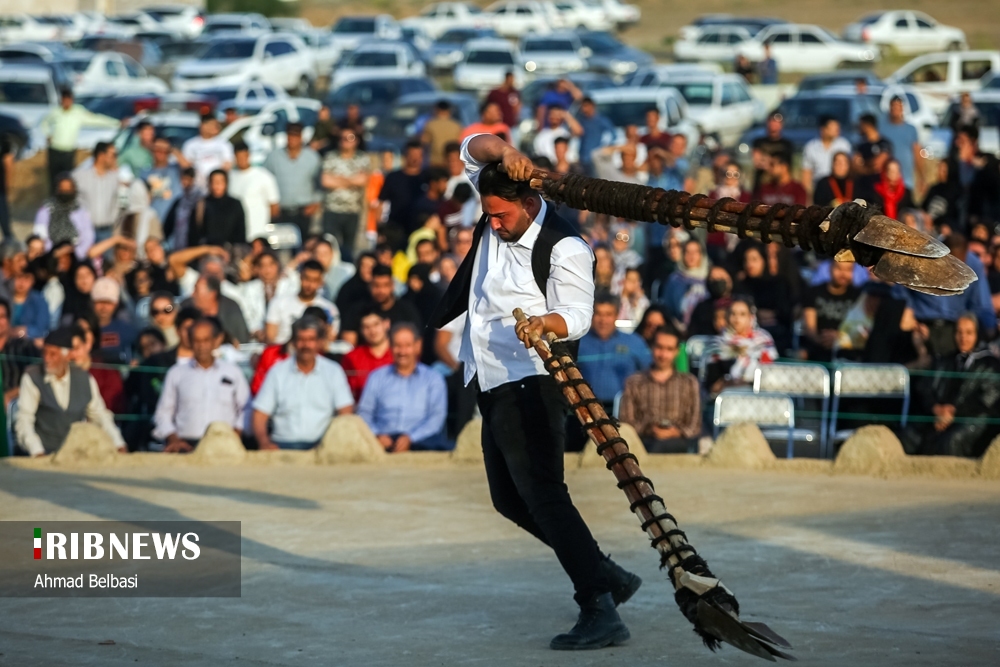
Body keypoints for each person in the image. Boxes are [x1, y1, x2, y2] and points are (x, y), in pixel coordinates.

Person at [430, 132, 637, 650]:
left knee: (544, 495)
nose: (491, 224)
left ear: (529, 204)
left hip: (534, 381)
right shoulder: (501, 190)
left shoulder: (565, 246)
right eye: (488, 215)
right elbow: (470, 145)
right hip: (491, 376)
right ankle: (603, 574)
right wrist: (503, 151)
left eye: (500, 216)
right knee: (508, 499)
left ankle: (598, 604)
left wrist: (545, 320)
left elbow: (578, 315)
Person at [14, 327, 126, 457]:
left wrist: (118, 443)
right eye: (44, 353)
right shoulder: (32, 377)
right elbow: (24, 419)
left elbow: (100, 415)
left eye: (53, 354)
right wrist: (37, 451)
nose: (47, 359)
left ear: (66, 355)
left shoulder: (84, 379)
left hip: (73, 454)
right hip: (41, 451)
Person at [900, 314, 1000, 457]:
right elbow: (925, 389)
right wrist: (937, 409)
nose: (963, 337)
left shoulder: (989, 364)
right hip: (939, 417)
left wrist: (954, 412)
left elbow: (987, 399)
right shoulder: (946, 360)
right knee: (909, 436)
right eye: (959, 332)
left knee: (951, 441)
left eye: (969, 333)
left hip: (972, 419)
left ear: (977, 334)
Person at [253, 315, 354, 450]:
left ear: (319, 342)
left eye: (311, 340)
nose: (305, 345)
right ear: (294, 342)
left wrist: (333, 442)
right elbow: (259, 413)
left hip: (322, 446)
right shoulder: (277, 372)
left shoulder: (333, 371)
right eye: (301, 340)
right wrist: (264, 442)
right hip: (283, 445)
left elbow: (345, 412)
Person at [152, 318, 250, 453]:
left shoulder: (233, 372)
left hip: (224, 444)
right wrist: (173, 439)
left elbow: (246, 408)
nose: (201, 346)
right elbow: (163, 412)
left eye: (206, 340)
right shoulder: (176, 373)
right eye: (197, 341)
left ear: (216, 341)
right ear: (190, 342)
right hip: (186, 444)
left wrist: (236, 434)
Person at [357, 322, 448, 452]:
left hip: (421, 441)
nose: (402, 352)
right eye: (397, 346)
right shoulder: (376, 377)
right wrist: (377, 434)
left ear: (417, 346)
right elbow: (364, 413)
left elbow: (436, 419)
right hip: (383, 440)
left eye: (407, 346)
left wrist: (411, 438)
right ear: (391, 347)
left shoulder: (433, 379)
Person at [619, 327, 701, 453]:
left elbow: (695, 424)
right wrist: (650, 429)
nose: (663, 354)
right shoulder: (634, 382)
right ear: (651, 347)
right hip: (643, 442)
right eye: (659, 347)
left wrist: (675, 432)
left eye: (669, 349)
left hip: (680, 444)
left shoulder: (689, 383)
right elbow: (626, 422)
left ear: (677, 351)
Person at [577, 294, 652, 408]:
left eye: (608, 314)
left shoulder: (635, 342)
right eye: (599, 314)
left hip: (624, 412)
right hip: (584, 411)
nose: (603, 320)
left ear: (617, 315)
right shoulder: (578, 344)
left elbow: (649, 373)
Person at [40, 88, 119, 193]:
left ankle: (66, 202)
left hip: (68, 151)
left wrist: (116, 123)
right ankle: (54, 203)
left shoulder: (78, 112)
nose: (67, 102)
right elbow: (44, 123)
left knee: (68, 178)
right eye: (65, 100)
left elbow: (96, 119)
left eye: (69, 100)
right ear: (61, 100)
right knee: (54, 179)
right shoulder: (56, 112)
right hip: (55, 150)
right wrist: (48, 134)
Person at [704, 296, 777, 394]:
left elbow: (770, 372)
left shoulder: (763, 340)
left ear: (751, 317)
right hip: (728, 395)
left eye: (742, 314)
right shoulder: (718, 344)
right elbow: (713, 384)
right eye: (733, 314)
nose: (737, 318)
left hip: (760, 393)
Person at [263, 122, 322, 239]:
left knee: (303, 246)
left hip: (304, 210)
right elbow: (265, 180)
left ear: (301, 137)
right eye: (290, 135)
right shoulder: (273, 157)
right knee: (279, 245)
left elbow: (319, 182)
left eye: (296, 135)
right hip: (281, 210)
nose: (293, 139)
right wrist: (270, 204)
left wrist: (316, 202)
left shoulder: (312, 157)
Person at [340, 264, 421, 346]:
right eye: (376, 285)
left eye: (385, 285)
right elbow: (347, 346)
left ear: (392, 285)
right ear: (369, 285)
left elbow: (417, 344)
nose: (381, 291)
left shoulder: (407, 310)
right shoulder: (357, 310)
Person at [320, 131, 370, 263]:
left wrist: (337, 180)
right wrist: (351, 180)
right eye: (343, 138)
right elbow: (325, 181)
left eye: (350, 138)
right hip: (332, 209)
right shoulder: (330, 157)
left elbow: (363, 180)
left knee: (349, 248)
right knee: (329, 245)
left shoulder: (362, 159)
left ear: (356, 141)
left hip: (353, 210)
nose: (346, 141)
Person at [735, 244, 793, 352]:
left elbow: (785, 312)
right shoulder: (741, 285)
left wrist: (774, 314)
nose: (749, 264)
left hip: (777, 334)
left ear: (764, 260)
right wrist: (758, 314)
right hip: (745, 336)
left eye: (754, 259)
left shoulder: (778, 283)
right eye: (746, 260)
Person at [264, 260, 337, 344]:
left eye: (315, 280)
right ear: (300, 277)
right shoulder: (278, 303)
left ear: (321, 282)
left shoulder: (330, 309)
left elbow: (330, 341)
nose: (309, 284)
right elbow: (270, 338)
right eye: (307, 278)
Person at [802, 260, 860, 362]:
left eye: (848, 270)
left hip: (846, 352)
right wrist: (821, 340)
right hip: (817, 349)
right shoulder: (814, 292)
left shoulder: (858, 296)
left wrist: (839, 339)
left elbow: (860, 327)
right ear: (830, 268)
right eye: (839, 268)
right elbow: (809, 327)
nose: (843, 274)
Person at [33, 173, 95, 259]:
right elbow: (40, 233)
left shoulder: (80, 210)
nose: (66, 191)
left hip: (76, 255)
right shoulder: (46, 209)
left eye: (69, 188)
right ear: (57, 189)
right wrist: (54, 253)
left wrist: (76, 252)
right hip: (51, 255)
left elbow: (88, 236)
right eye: (63, 188)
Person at [378, 141, 428, 244]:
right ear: (405, 156)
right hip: (395, 228)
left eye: (418, 155)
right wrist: (380, 229)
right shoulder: (393, 177)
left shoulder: (427, 178)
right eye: (412, 155)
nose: (415, 159)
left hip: (419, 229)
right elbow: (381, 203)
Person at [229, 142, 280, 242]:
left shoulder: (263, 176)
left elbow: (274, 207)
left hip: (257, 233)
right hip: (235, 234)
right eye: (238, 157)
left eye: (244, 156)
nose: (241, 160)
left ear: (249, 155)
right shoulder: (230, 177)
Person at [339, 307, 393, 401]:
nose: (372, 331)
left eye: (376, 324)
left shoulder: (400, 355)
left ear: (386, 324)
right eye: (366, 327)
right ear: (361, 330)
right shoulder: (351, 358)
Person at [73, 142, 120, 242]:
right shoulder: (79, 176)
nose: (115, 158)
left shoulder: (116, 178)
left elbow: (122, 203)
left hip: (107, 231)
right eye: (113, 155)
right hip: (83, 229)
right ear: (101, 156)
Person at [660, 238, 708, 331]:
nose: (691, 256)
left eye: (695, 252)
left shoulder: (708, 278)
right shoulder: (674, 279)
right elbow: (667, 307)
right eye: (687, 252)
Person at [189, 275, 250, 345]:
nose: (192, 295)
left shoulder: (232, 310)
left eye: (196, 290)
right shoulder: (187, 309)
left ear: (212, 294)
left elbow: (242, 341)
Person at [0, 297, 39, 405]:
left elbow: (38, 378)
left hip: (17, 403)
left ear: (8, 320)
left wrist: (11, 394)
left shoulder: (24, 347)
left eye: (2, 317)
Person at [141, 135, 187, 224]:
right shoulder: (145, 172)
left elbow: (189, 168)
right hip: (153, 219)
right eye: (157, 150)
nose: (160, 153)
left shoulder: (175, 169)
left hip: (173, 219)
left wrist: (172, 150)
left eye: (163, 151)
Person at [91, 276, 138, 364]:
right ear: (92, 303)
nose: (104, 307)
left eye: (108, 303)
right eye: (100, 302)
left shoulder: (126, 330)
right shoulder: (84, 329)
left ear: (116, 304)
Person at [181, 114, 234, 189]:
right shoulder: (190, 145)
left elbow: (227, 165)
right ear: (203, 126)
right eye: (212, 125)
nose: (216, 127)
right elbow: (186, 166)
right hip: (197, 187)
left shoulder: (224, 144)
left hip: (216, 188)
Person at [881, 96, 922, 191]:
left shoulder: (911, 129)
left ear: (902, 108)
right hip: (887, 180)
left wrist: (921, 176)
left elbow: (916, 151)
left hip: (906, 180)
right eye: (893, 106)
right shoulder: (882, 128)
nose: (896, 109)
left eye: (898, 106)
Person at [801, 116, 852, 190]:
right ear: (823, 129)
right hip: (820, 188)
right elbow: (806, 173)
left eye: (837, 127)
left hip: (840, 187)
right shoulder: (811, 147)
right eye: (833, 127)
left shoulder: (844, 145)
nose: (837, 130)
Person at [750, 112, 793, 192]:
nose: (774, 124)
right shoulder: (758, 142)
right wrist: (774, 163)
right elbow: (757, 162)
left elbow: (786, 168)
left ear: (782, 124)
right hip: (761, 187)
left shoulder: (787, 144)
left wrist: (766, 161)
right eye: (771, 120)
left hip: (780, 189)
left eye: (777, 121)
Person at [162, 167, 202, 251]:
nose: (185, 182)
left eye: (187, 179)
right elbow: (169, 224)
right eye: (183, 179)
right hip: (179, 245)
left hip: (196, 246)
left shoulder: (201, 200)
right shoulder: (179, 201)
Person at [575, 97, 614, 176]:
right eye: (582, 106)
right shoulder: (582, 120)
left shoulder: (601, 121)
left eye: (586, 106)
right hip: (583, 158)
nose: (584, 109)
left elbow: (612, 135)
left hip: (596, 159)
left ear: (592, 106)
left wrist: (603, 149)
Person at [9, 270, 49, 343]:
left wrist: (22, 332)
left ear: (33, 281)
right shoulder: (5, 297)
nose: (22, 282)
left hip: (29, 342)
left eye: (26, 278)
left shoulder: (39, 300)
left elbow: (41, 327)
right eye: (19, 277)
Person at [422, 100, 463, 167]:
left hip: (435, 162)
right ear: (449, 111)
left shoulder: (430, 125)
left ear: (436, 110)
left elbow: (424, 142)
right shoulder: (457, 126)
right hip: (452, 162)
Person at [853, 113, 893, 177]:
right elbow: (855, 166)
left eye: (860, 125)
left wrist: (864, 162)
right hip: (864, 184)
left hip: (879, 184)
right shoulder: (860, 145)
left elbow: (877, 165)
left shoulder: (884, 144)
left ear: (867, 126)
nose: (859, 128)